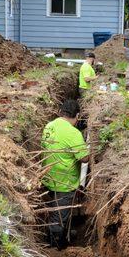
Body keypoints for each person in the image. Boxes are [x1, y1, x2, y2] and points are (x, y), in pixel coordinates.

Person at [41, 99, 89, 249]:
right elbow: (84, 158)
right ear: (77, 115)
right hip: (64, 183)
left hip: (48, 178)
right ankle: (57, 247)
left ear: (60, 112)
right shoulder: (73, 133)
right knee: (58, 217)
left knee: (54, 210)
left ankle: (63, 233)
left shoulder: (49, 126)